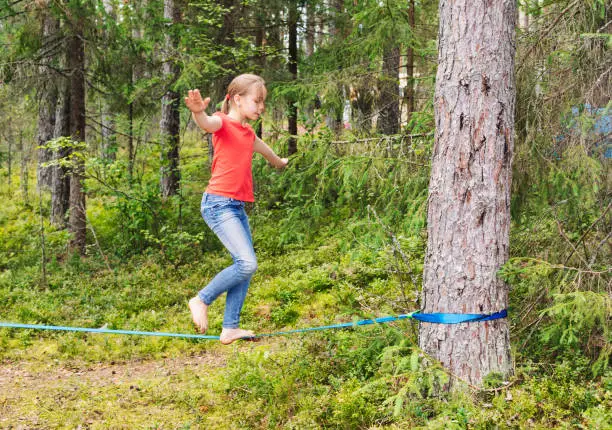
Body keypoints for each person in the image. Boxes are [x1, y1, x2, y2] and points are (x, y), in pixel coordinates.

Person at [184, 74, 288, 345]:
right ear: (238, 99)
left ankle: (230, 327)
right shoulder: (224, 122)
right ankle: (201, 299)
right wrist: (198, 112)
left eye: (263, 102)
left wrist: (281, 162)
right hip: (218, 204)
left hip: (235, 206)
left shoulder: (248, 133)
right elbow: (207, 123)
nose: (261, 107)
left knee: (245, 266)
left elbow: (270, 155)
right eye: (257, 101)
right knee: (247, 263)